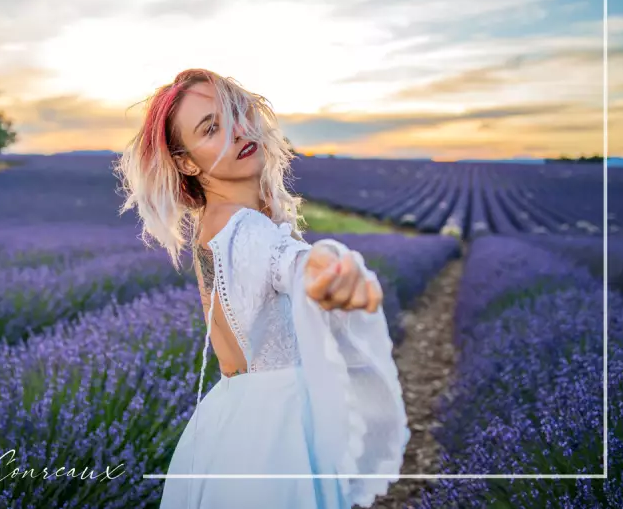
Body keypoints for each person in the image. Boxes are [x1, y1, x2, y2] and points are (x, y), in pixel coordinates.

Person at [113, 68, 409, 509]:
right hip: (280, 430)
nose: (234, 132)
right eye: (210, 128)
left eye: (235, 114)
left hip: (233, 422)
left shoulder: (215, 224)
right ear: (187, 162)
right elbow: (291, 264)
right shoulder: (244, 229)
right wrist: (331, 271)